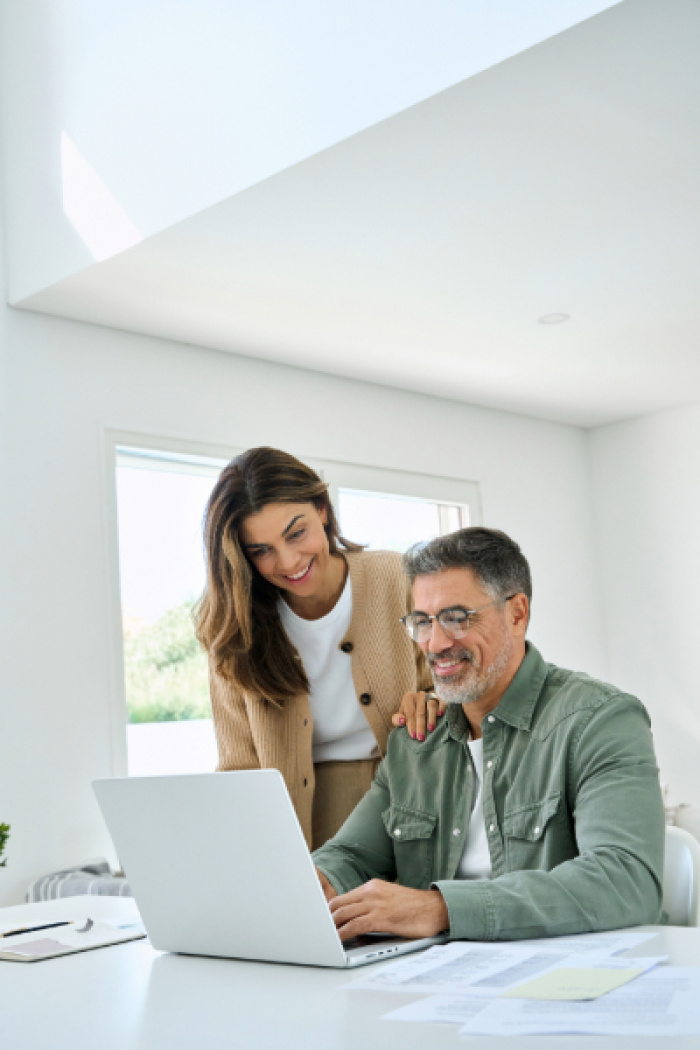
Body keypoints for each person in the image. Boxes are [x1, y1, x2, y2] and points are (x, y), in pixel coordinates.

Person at [313, 527, 665, 942]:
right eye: (423, 621)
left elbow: (626, 880)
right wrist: (316, 883)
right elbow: (352, 855)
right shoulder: (416, 741)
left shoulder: (600, 720)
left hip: (568, 977)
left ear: (517, 614)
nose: (435, 643)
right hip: (438, 978)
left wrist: (442, 908)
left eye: (456, 618)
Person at [195, 446, 435, 850]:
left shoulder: (396, 577)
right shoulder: (233, 630)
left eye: (296, 533)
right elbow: (238, 767)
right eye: (261, 551)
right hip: (297, 823)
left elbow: (451, 688)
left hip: (411, 801)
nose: (288, 561)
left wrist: (430, 702)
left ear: (323, 509)